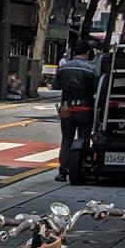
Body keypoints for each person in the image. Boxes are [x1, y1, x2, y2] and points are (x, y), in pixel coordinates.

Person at [53, 42, 99, 182]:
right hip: (85, 108)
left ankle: (62, 171)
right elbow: (97, 88)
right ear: (87, 53)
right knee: (83, 139)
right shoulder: (91, 69)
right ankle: (81, 167)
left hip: (66, 108)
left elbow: (55, 85)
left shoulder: (63, 68)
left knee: (66, 140)